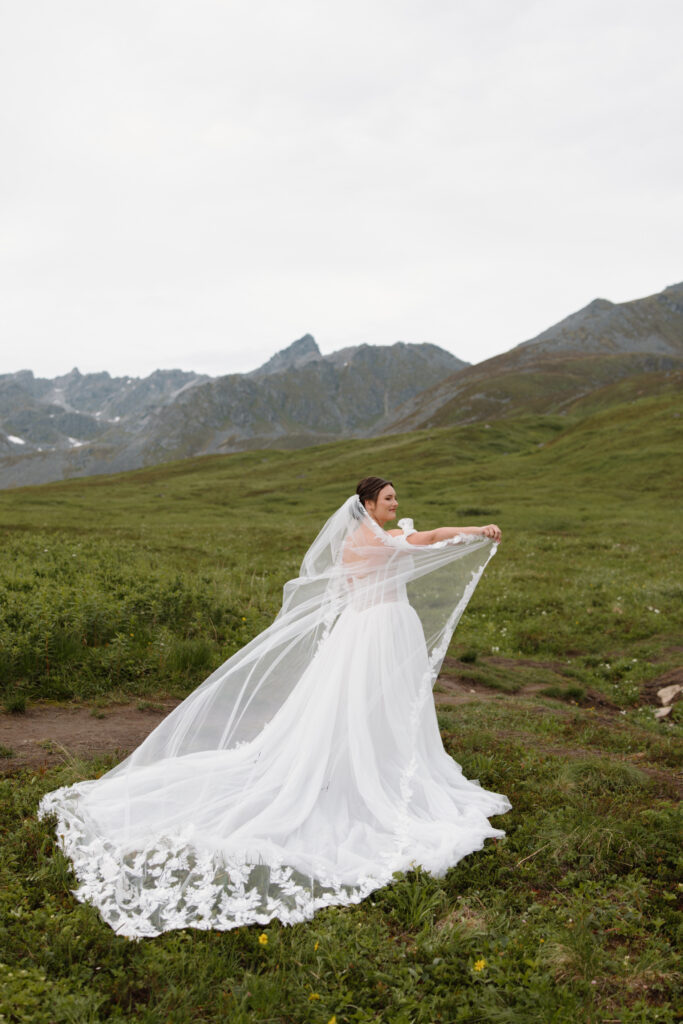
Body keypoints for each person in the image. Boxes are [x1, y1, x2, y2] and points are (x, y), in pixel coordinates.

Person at [38, 476, 512, 940]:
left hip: (376, 630)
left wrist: (471, 531)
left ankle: (380, 761)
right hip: (376, 634)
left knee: (379, 707)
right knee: (366, 704)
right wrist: (458, 536)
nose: (395, 503)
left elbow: (425, 537)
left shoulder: (370, 540)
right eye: (388, 498)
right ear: (367, 504)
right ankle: (359, 773)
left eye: (395, 498)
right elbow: (422, 541)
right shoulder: (371, 544)